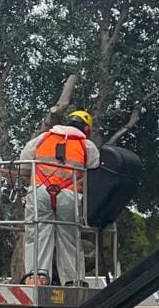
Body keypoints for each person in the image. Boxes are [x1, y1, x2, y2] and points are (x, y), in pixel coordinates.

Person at [19, 109, 100, 286]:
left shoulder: (43, 138)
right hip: (69, 195)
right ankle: (73, 280)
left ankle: (36, 277)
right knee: (69, 237)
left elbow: (24, 167)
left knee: (37, 233)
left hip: (40, 191)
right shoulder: (87, 146)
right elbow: (94, 175)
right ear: (86, 129)